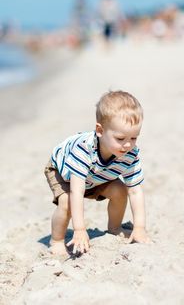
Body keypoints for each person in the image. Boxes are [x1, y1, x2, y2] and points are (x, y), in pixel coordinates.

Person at [44, 90, 151, 255]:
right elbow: (76, 191)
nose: (128, 145)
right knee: (67, 203)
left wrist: (139, 227)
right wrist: (79, 229)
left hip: (96, 176)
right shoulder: (84, 150)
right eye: (120, 139)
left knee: (120, 190)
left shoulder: (130, 153)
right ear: (100, 131)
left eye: (134, 138)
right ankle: (56, 240)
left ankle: (115, 227)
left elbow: (135, 190)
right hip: (63, 171)